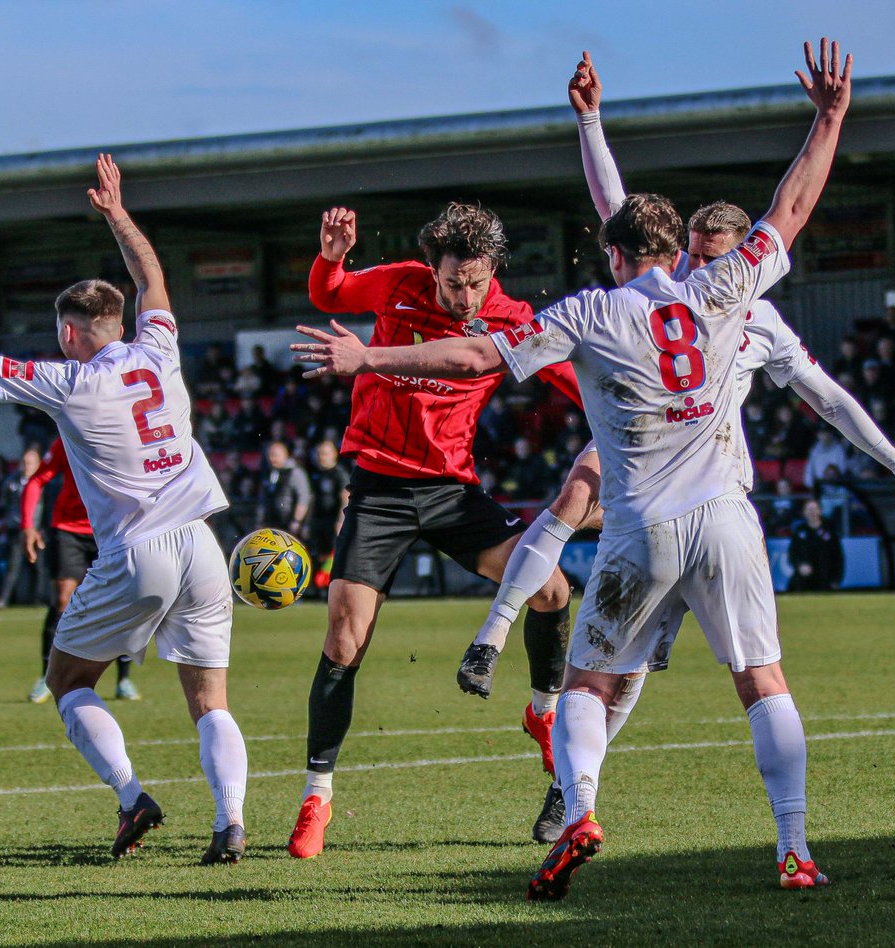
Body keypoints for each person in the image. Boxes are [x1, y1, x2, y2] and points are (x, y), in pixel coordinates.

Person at [295, 38, 855, 896]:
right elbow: (791, 207)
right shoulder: (726, 289)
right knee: (762, 680)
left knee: (589, 683)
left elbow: (478, 356)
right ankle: (795, 848)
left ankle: (580, 805)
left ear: (614, 255)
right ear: (678, 252)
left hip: (642, 528)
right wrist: (829, 117)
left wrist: (367, 361)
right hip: (730, 518)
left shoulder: (588, 309)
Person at [0, 154, 248, 866]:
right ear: (120, 320)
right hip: (203, 542)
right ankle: (231, 824)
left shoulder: (69, 381)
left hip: (139, 549)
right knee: (209, 697)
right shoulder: (160, 347)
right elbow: (152, 275)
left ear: (69, 332)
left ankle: (133, 798)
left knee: (66, 681)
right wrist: (118, 214)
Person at [284, 196, 595, 861]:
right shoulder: (399, 282)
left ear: (494, 274)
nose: (464, 295)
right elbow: (330, 292)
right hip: (379, 487)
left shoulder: (513, 320)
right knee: (344, 636)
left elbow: (578, 384)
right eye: (453, 282)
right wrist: (332, 257)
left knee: (551, 590)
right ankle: (317, 796)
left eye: (476, 282)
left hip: (453, 491)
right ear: (432, 268)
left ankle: (542, 710)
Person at [21, 437, 141, 703]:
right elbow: (37, 480)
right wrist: (28, 525)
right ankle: (46, 677)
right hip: (69, 530)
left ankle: (123, 679)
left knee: (122, 601)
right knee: (63, 599)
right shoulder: (68, 437)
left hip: (112, 530)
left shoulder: (123, 436)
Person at [0, 448, 44, 608]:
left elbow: (48, 507)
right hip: (18, 530)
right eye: (25, 463)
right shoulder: (11, 482)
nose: (27, 466)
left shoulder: (45, 482)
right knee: (13, 566)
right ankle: (4, 599)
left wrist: (44, 528)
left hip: (37, 531)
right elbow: (4, 503)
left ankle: (40, 600)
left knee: (40, 568)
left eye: (30, 463)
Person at [304, 440, 350, 568]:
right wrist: (307, 523)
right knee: (317, 557)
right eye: (319, 454)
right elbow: (312, 500)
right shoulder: (316, 474)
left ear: (334, 454)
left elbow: (345, 498)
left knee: (332, 559)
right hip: (318, 521)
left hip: (332, 521)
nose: (321, 457)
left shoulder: (339, 474)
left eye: (325, 454)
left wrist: (340, 521)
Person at [256, 440, 312, 536]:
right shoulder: (270, 473)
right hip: (271, 524)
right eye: (270, 455)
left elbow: (304, 497)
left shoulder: (295, 472)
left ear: (285, 455)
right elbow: (264, 498)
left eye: (275, 455)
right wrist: (260, 520)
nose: (271, 458)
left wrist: (297, 520)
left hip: (289, 524)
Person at [787, 500, 843, 591]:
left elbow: (838, 556)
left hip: (825, 576)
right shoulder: (800, 530)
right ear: (804, 512)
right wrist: (799, 566)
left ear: (819, 511)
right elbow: (792, 553)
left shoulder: (829, 529)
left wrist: (836, 579)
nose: (811, 512)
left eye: (814, 509)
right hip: (805, 576)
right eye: (809, 509)